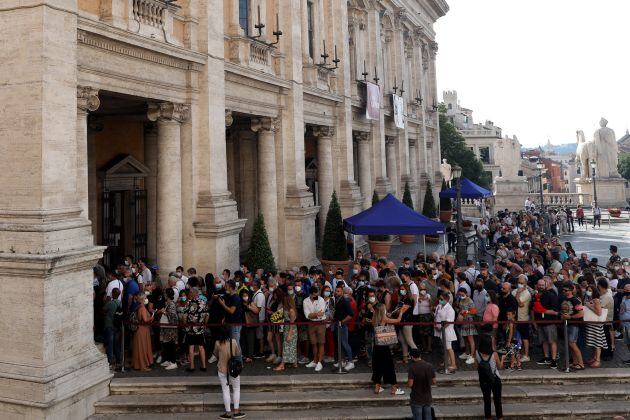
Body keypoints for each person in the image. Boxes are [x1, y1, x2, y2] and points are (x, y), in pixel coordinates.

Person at [371, 303, 408, 395]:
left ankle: (377, 387)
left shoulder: (374, 318)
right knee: (389, 366)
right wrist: (401, 312)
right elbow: (398, 320)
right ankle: (394, 388)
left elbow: (383, 319)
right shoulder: (384, 319)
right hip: (384, 346)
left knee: (378, 366)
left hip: (376, 345)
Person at [213, 326, 245, 419]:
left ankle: (227, 413)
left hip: (222, 370)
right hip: (233, 369)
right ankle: (236, 411)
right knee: (236, 389)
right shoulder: (234, 342)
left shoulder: (217, 343)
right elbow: (238, 353)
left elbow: (215, 354)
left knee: (225, 390)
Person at [476, 337, 504, 420]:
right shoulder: (494, 354)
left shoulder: (477, 352)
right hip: (495, 379)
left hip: (483, 379)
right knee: (497, 400)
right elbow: (500, 366)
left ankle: (488, 417)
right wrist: (502, 359)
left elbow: (477, 366)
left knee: (486, 399)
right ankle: (500, 417)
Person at [560, 284, 584, 370]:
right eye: (563, 290)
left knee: (572, 343)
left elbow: (581, 313)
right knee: (570, 344)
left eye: (566, 290)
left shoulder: (575, 300)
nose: (564, 292)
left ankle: (581, 363)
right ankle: (575, 362)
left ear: (571, 291)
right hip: (567, 324)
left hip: (574, 325)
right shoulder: (564, 299)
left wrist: (570, 317)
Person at [407, 348, 436, 420]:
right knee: (428, 417)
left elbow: (410, 384)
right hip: (427, 397)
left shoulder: (412, 368)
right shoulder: (429, 366)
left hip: (416, 398)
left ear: (412, 357)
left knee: (418, 417)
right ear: (420, 355)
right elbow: (434, 381)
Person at [583, 284, 607, 368]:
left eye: (590, 290)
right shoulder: (590, 299)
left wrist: (589, 306)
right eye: (587, 290)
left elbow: (599, 312)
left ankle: (598, 360)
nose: (588, 292)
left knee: (597, 343)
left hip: (596, 325)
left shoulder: (596, 300)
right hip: (591, 324)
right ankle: (594, 357)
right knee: (593, 342)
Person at [303, 286, 326, 371]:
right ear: (311, 294)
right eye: (315, 294)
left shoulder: (321, 299)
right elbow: (307, 315)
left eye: (318, 293)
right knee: (313, 343)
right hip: (311, 324)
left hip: (321, 323)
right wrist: (315, 314)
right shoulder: (305, 301)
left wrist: (313, 314)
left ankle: (320, 362)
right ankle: (315, 360)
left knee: (321, 343)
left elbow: (321, 313)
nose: (317, 295)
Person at [333, 284, 355, 371]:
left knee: (345, 343)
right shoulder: (337, 300)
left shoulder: (345, 301)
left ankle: (351, 362)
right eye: (336, 291)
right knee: (340, 344)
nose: (336, 292)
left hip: (342, 325)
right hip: (337, 324)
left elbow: (351, 314)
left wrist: (342, 322)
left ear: (342, 292)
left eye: (338, 291)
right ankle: (342, 360)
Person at [274, 293, 298, 371]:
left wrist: (289, 334)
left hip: (291, 329)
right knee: (291, 346)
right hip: (287, 327)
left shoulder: (291, 310)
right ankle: (294, 362)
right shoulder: (287, 309)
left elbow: (292, 323)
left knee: (287, 346)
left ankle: (282, 364)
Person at [434, 293, 457, 372]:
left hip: (447, 331)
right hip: (442, 330)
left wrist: (441, 329)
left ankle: (453, 364)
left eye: (441, 299)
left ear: (446, 300)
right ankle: (448, 361)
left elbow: (448, 322)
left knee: (449, 348)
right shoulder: (440, 306)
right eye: (439, 298)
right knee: (446, 347)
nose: (440, 300)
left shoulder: (450, 309)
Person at [158, 288, 179, 370]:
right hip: (167, 328)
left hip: (171, 329)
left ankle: (173, 362)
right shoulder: (169, 303)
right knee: (166, 344)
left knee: (171, 345)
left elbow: (173, 317)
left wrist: (164, 312)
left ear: (167, 295)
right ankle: (168, 359)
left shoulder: (171, 304)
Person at [132, 293, 154, 371]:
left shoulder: (139, 307)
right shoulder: (143, 308)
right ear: (142, 299)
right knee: (143, 348)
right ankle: (143, 365)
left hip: (140, 330)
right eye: (145, 298)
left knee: (140, 347)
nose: (146, 299)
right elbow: (145, 320)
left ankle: (139, 364)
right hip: (143, 330)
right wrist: (151, 318)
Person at [103, 288, 122, 369]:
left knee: (110, 344)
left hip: (110, 325)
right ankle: (118, 360)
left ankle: (110, 361)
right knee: (116, 343)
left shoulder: (110, 303)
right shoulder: (120, 303)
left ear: (113, 294)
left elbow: (103, 310)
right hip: (117, 326)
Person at [620, 284, 630, 365]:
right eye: (625, 290)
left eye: (628, 290)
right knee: (627, 342)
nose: (626, 292)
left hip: (629, 324)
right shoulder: (624, 297)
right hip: (624, 324)